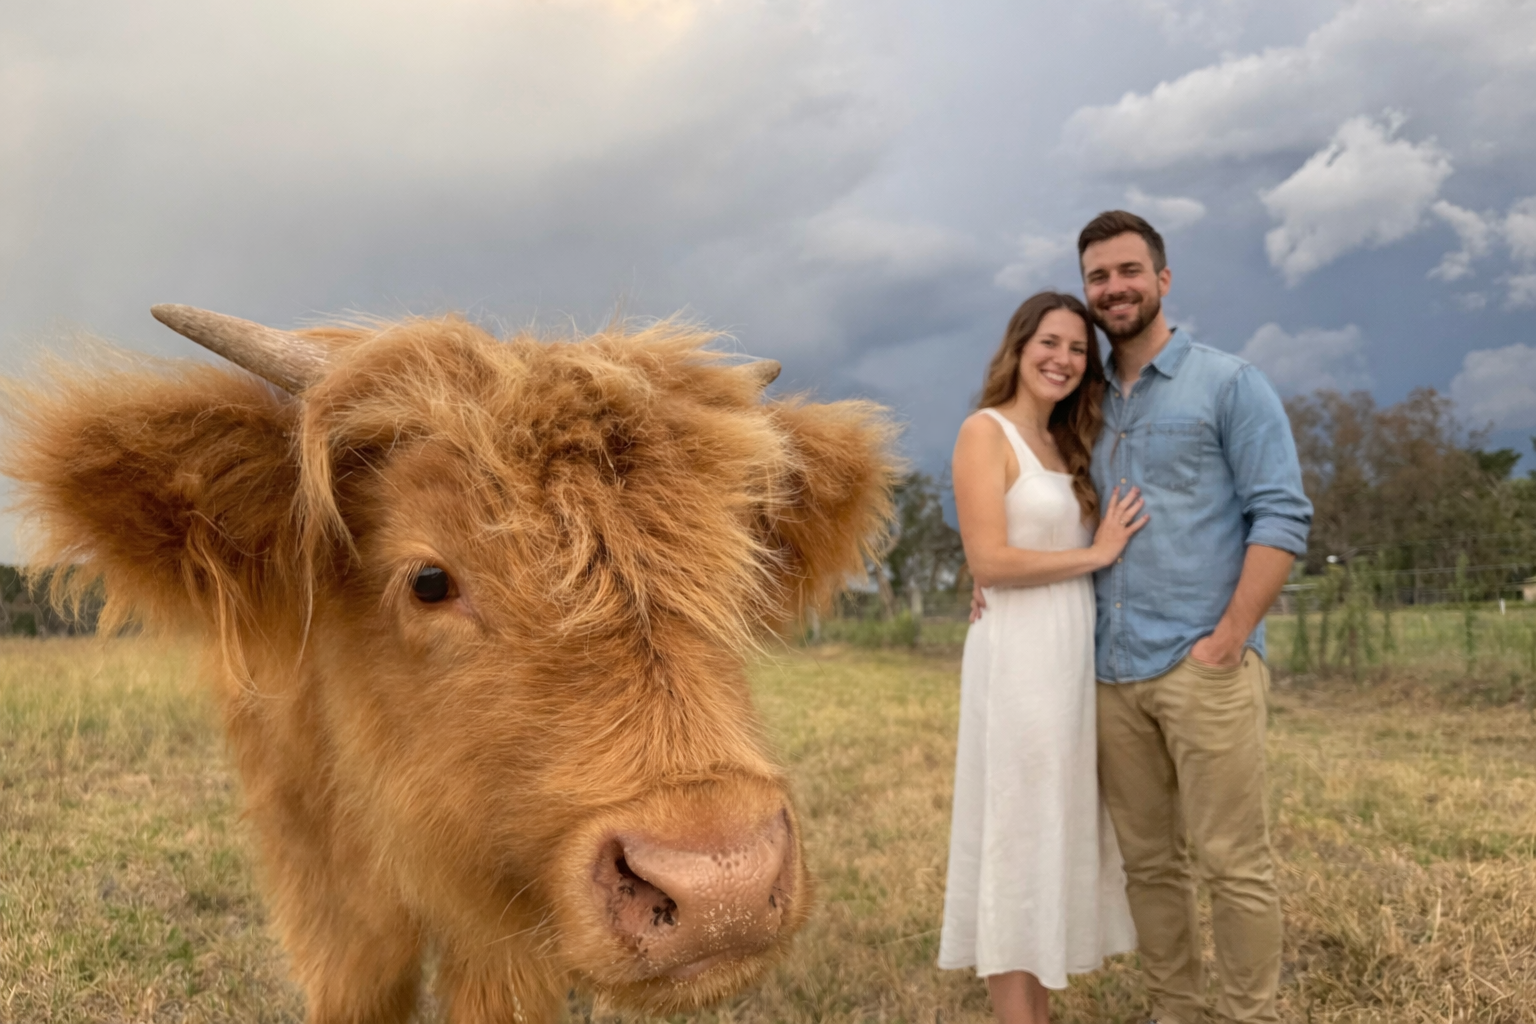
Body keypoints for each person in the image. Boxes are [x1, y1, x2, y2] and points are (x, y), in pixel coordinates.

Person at [1079, 210, 1312, 1024]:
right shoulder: (1082, 401)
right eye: (1098, 277)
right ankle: (1174, 1010)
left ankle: (1249, 1014)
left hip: (1201, 664)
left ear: (1163, 279)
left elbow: (1281, 517)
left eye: (1128, 271)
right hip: (1110, 677)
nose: (1114, 288)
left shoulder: (1230, 383)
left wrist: (1227, 640)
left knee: (1233, 863)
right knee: (1150, 867)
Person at [939, 290, 1144, 1024]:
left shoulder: (1068, 444)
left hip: (1068, 659)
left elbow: (1022, 549)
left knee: (1055, 826)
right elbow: (989, 560)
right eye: (1049, 343)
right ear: (1019, 347)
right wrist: (1096, 552)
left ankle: (1042, 1010)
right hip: (1019, 657)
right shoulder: (983, 432)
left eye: (1078, 350)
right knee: (1016, 830)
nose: (1062, 359)